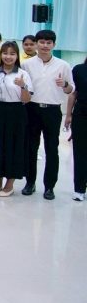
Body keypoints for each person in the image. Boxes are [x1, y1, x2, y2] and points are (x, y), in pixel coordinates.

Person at [21, 29, 75, 200]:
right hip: (31, 108)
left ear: (54, 44)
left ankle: (49, 187)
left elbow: (70, 89)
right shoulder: (26, 64)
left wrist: (64, 84)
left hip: (52, 110)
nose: (45, 45)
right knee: (31, 147)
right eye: (42, 42)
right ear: (36, 44)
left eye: (48, 42)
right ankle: (30, 183)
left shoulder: (63, 65)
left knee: (52, 149)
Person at [0, 42, 32, 196]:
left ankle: (10, 184)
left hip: (16, 112)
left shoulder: (23, 74)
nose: (8, 57)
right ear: (0, 55)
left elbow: (26, 100)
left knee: (14, 146)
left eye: (12, 54)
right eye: (5, 53)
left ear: (17, 56)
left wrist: (23, 86)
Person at [68, 55, 87, 201]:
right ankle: (79, 189)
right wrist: (68, 115)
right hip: (81, 114)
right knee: (80, 152)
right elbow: (73, 93)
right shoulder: (79, 70)